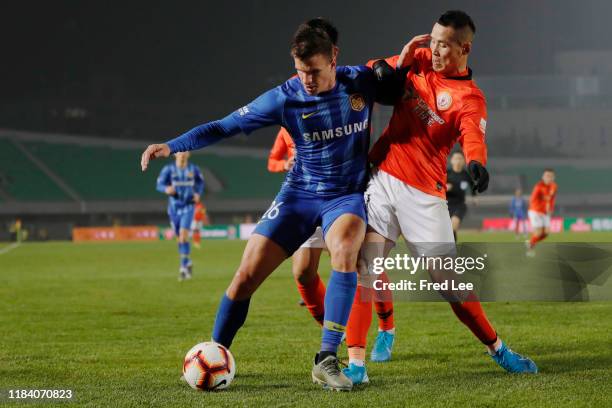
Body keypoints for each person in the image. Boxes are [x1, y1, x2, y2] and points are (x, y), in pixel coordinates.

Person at [141, 19, 403, 391]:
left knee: (345, 250)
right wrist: (173, 145)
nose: (306, 80)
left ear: (334, 59)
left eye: (313, 71)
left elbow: (407, 68)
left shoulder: (360, 80)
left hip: (344, 195)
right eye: (299, 71)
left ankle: (326, 359)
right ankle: (216, 353)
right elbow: (224, 125)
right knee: (246, 275)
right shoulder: (284, 97)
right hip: (298, 195)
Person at [343, 10, 538, 384]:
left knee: (448, 283)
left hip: (424, 195)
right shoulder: (418, 58)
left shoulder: (470, 98)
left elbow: (473, 138)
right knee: (364, 267)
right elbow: (371, 71)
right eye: (432, 40)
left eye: (443, 45)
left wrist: (478, 163)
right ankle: (356, 365)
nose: (433, 50)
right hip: (383, 177)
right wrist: (394, 63)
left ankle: (498, 349)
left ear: (464, 48)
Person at [156, 152, 204, 280]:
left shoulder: (194, 169)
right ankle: (187, 262)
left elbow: (200, 183)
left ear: (189, 154)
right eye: (179, 151)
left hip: (188, 207)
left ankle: (183, 268)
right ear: (175, 154)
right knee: (180, 239)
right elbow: (159, 184)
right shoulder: (168, 169)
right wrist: (166, 189)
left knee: (183, 235)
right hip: (173, 209)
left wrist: (198, 193)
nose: (182, 154)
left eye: (185, 151)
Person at [526, 169, 557, 256]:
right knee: (539, 232)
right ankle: (530, 250)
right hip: (535, 211)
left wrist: (551, 209)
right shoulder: (538, 187)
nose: (549, 178)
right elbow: (532, 200)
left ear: (554, 177)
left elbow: (552, 199)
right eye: (547, 176)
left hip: (545, 212)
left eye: (550, 176)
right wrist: (538, 210)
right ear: (543, 177)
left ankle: (531, 242)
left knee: (546, 233)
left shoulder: (554, 186)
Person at [446, 150, 474, 242]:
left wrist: (474, 198)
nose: (458, 161)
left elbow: (473, 187)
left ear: (463, 161)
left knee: (454, 224)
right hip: (445, 206)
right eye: (456, 158)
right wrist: (444, 187)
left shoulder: (466, 175)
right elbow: (436, 186)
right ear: (451, 160)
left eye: (460, 158)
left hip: (460, 205)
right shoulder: (446, 174)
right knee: (447, 231)